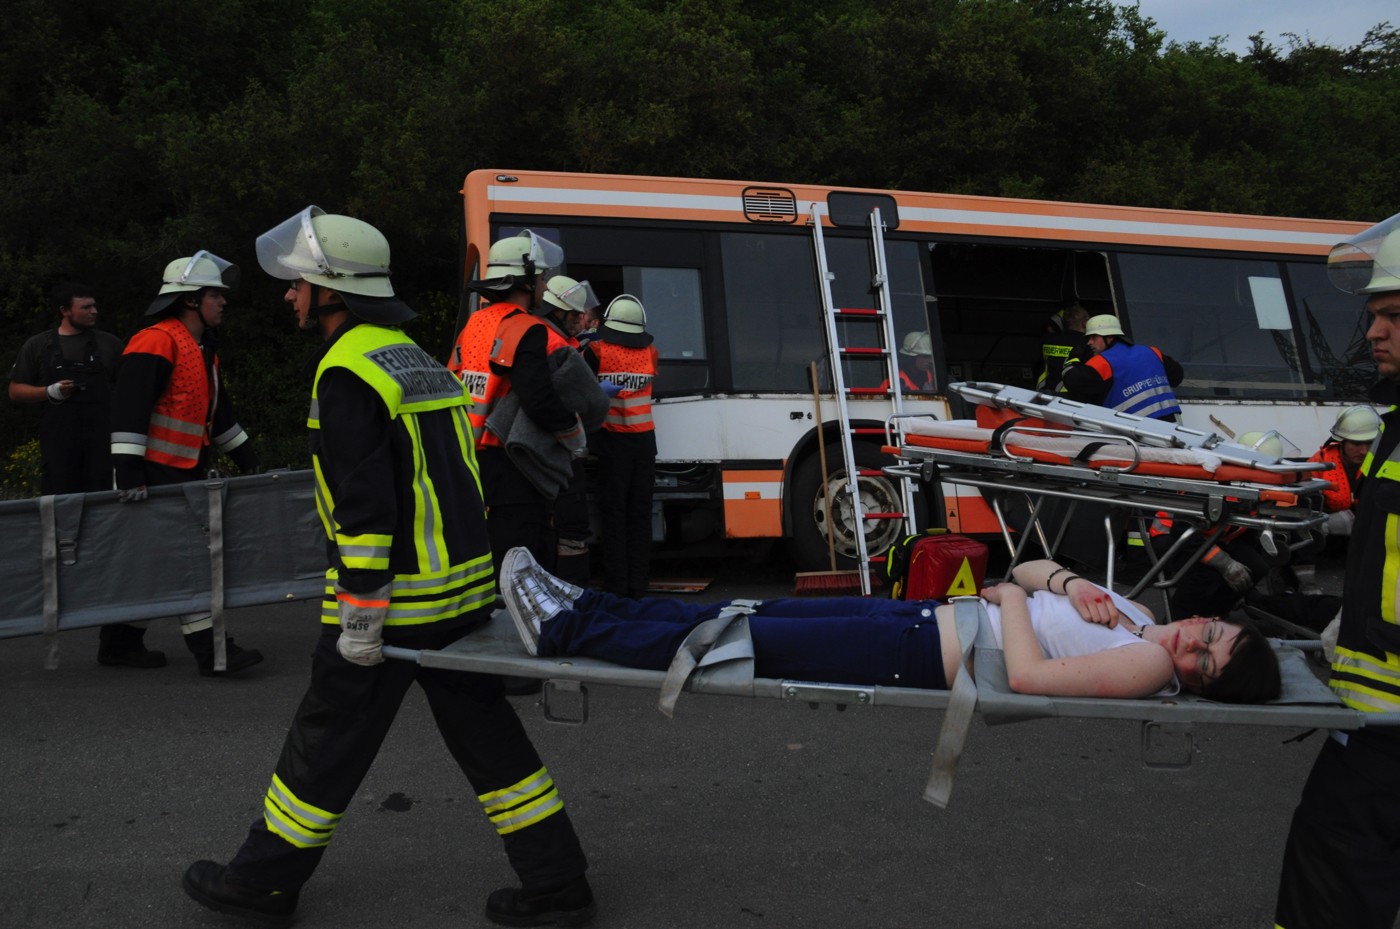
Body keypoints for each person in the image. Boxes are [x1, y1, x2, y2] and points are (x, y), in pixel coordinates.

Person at [182, 207, 594, 929]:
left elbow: (364, 501)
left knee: (326, 740)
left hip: (395, 602)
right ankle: (558, 880)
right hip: (456, 595)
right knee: (489, 739)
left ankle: (262, 882)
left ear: (332, 289)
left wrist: (361, 612)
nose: (290, 294)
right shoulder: (414, 356)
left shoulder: (348, 369)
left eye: (299, 283)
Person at [500, 548, 1281, 704]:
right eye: (1211, 636)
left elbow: (1029, 676)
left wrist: (1012, 601)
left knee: (738, 639)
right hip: (916, 618)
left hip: (913, 649)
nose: (1194, 645)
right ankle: (584, 605)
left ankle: (563, 629)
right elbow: (1033, 566)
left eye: (1207, 663)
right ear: (1209, 618)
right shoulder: (1140, 618)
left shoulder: (1150, 666)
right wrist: (1072, 584)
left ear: (1199, 680)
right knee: (739, 611)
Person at [1275, 212, 1400, 929]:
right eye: (1373, 315)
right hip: (1374, 712)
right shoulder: (1392, 428)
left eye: (1393, 316)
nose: (1374, 332)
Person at [107, 252, 263, 674]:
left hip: (179, 472)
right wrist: (129, 474)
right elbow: (128, 410)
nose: (223, 302)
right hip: (152, 474)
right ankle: (214, 654)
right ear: (191, 300)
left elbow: (219, 417)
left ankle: (119, 644)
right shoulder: (156, 340)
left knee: (154, 563)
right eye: (215, 295)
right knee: (187, 562)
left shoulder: (201, 348)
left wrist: (250, 463)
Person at [7, 281, 124, 495]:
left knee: (102, 502)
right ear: (65, 311)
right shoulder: (38, 345)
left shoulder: (110, 344)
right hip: (59, 446)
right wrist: (49, 392)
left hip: (102, 446)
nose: (94, 311)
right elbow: (15, 391)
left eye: (94, 306)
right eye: (86, 307)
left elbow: (126, 390)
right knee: (60, 502)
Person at [583, 295, 659, 598]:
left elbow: (583, 391)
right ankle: (638, 585)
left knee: (614, 515)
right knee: (640, 514)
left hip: (611, 442)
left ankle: (616, 585)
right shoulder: (651, 352)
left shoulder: (596, 351)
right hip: (644, 442)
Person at [1060, 314, 1184, 421]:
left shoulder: (1102, 362)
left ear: (1109, 337)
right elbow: (1177, 377)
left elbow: (1071, 381)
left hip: (1138, 433)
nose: (1089, 342)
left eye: (1094, 337)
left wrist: (1073, 358)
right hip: (1173, 429)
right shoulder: (1152, 352)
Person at [1035, 302, 1089, 393]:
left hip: (1044, 391)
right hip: (1067, 395)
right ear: (1084, 323)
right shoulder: (1087, 343)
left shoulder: (1048, 340)